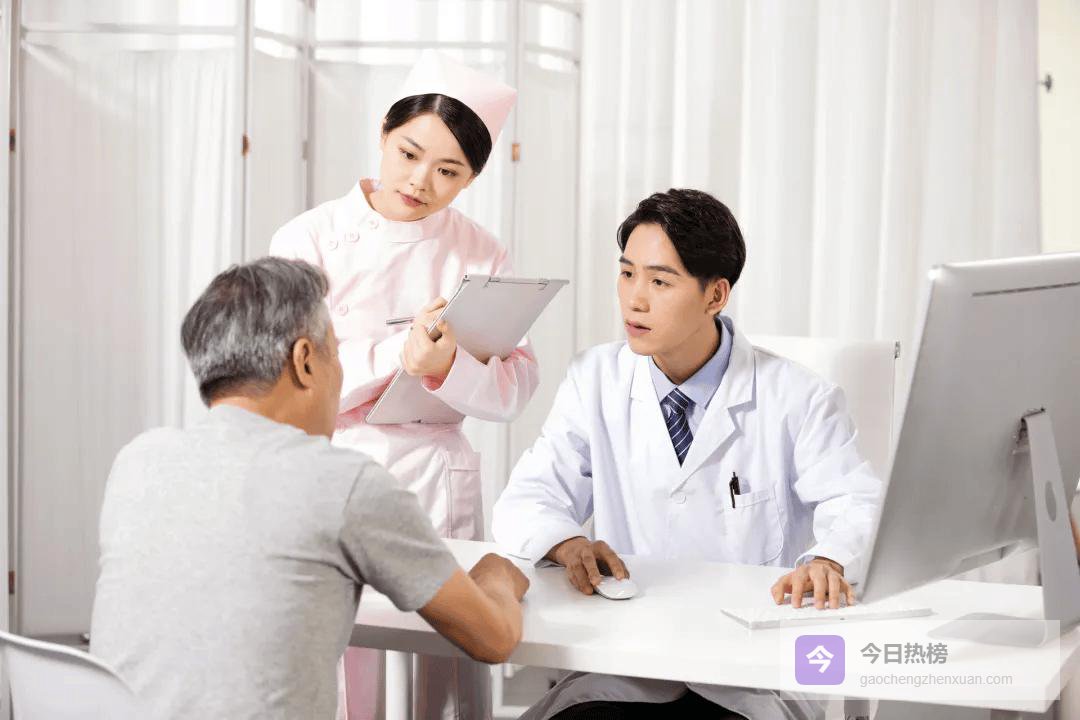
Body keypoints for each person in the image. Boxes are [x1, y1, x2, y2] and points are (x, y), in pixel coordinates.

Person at [492, 189, 882, 719]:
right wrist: (564, 542)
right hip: (624, 665)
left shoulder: (800, 396)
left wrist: (828, 559)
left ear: (715, 295)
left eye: (660, 281)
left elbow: (859, 503)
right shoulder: (595, 379)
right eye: (626, 273)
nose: (634, 299)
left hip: (746, 676)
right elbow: (529, 496)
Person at [90, 258, 529, 720]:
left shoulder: (138, 462)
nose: (339, 376)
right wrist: (497, 573)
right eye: (334, 354)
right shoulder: (342, 483)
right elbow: (493, 638)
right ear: (304, 361)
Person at [270, 50, 536, 719]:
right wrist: (402, 354)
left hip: (437, 483)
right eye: (409, 154)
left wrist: (446, 369)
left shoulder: (481, 251)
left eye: (449, 171)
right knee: (346, 675)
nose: (421, 181)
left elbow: (514, 387)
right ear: (383, 133)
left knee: (437, 683)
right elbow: (287, 380)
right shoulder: (309, 239)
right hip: (339, 474)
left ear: (473, 177)